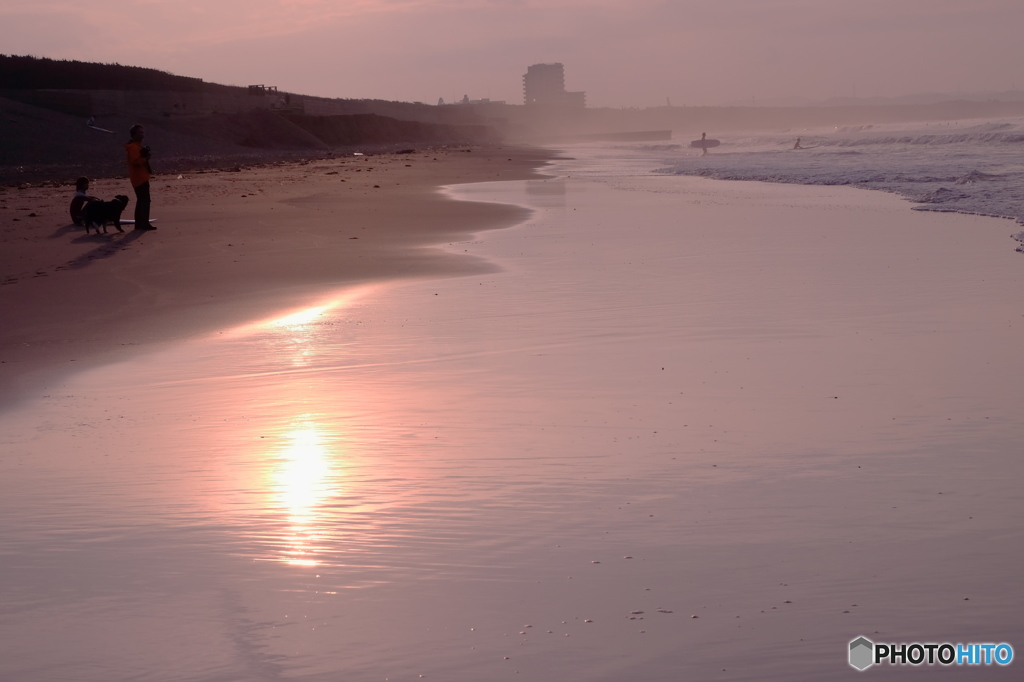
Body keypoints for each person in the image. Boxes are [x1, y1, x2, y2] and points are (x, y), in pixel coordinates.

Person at [125, 124, 156, 230]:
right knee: (145, 201)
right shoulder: (134, 147)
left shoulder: (135, 146)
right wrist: (145, 158)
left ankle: (140, 224)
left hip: (139, 177)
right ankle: (144, 224)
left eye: (143, 132)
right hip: (140, 178)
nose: (142, 135)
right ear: (134, 134)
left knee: (141, 200)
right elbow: (136, 162)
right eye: (140, 133)